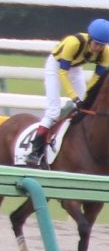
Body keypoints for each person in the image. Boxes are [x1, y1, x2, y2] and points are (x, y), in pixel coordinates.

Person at [26, 18, 109, 166]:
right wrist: (74, 98)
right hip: (56, 67)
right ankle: (35, 151)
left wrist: (85, 98)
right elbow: (63, 73)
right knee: (53, 112)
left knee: (85, 107)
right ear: (90, 38)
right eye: (96, 44)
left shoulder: (106, 52)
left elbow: (97, 78)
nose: (98, 48)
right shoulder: (73, 42)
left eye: (102, 45)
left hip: (75, 68)